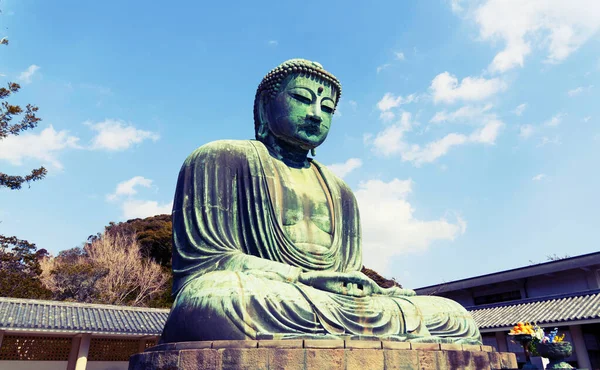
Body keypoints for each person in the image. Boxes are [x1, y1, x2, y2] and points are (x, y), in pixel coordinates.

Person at [159, 59, 481, 344]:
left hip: (331, 303)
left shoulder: (342, 192)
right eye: (301, 99)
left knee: (454, 317)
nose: (316, 115)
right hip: (270, 294)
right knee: (213, 300)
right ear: (263, 108)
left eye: (327, 108)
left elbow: (349, 274)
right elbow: (206, 265)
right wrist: (299, 278)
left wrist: (374, 291)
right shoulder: (218, 159)